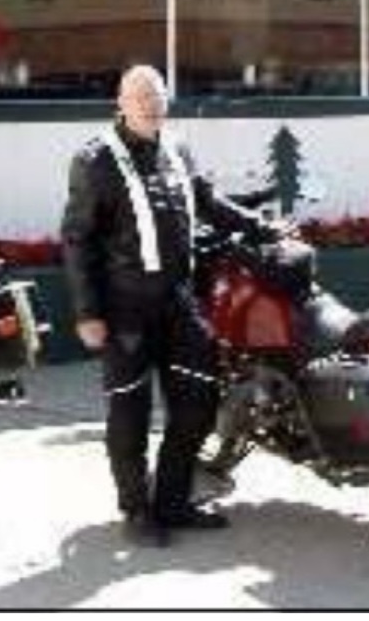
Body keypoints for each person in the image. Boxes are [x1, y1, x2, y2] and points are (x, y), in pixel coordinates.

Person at [60, 64, 280, 546]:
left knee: (199, 401)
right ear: (121, 103)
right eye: (140, 97)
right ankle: (137, 510)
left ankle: (173, 502)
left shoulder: (178, 148)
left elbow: (208, 202)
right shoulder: (95, 160)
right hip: (125, 309)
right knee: (130, 414)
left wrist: (261, 227)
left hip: (180, 301)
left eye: (157, 97)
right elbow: (77, 241)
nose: (151, 105)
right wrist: (87, 313)